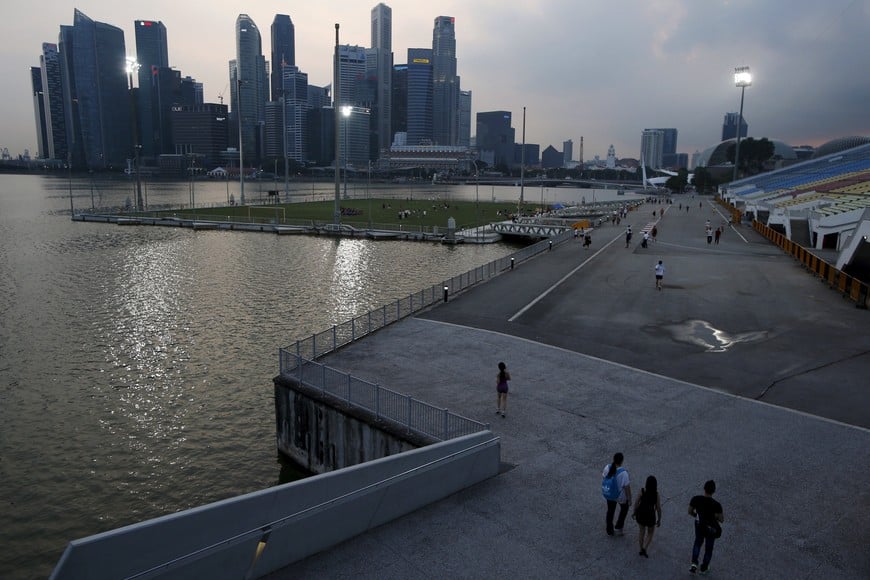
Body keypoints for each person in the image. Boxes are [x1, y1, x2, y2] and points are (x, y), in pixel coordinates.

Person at [689, 480, 724, 574]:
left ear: (704, 488)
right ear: (714, 491)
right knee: (709, 547)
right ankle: (704, 567)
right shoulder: (717, 505)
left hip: (699, 524)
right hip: (711, 528)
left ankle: (694, 564)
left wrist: (696, 515)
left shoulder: (696, 499)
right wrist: (714, 516)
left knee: (698, 542)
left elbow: (690, 511)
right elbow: (721, 519)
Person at [602, 452, 631, 536]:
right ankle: (618, 526)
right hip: (620, 496)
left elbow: (604, 478)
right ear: (622, 461)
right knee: (624, 509)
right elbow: (627, 488)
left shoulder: (607, 467)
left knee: (610, 511)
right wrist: (629, 499)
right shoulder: (623, 473)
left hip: (610, 494)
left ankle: (609, 530)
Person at [632, 475, 662, 557]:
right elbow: (658, 508)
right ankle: (645, 548)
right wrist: (659, 519)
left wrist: (634, 512)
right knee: (650, 532)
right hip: (650, 516)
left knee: (641, 532)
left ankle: (641, 548)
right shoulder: (656, 494)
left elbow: (636, 503)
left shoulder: (642, 491)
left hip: (641, 514)